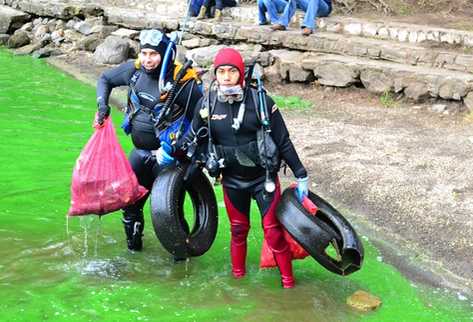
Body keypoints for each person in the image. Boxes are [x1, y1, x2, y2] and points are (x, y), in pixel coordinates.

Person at [179, 48, 310, 288]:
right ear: (215, 75)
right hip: (232, 180)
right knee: (238, 230)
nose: (227, 76)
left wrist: (301, 174)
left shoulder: (260, 102)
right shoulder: (206, 104)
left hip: (264, 179)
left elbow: (283, 141)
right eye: (221, 72)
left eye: (232, 71)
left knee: (273, 232)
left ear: (241, 74)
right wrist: (173, 152)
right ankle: (238, 281)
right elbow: (192, 138)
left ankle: (289, 284)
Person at [95, 29, 203, 252]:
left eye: (153, 54)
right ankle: (134, 251)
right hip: (140, 154)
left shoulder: (182, 81)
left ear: (165, 54)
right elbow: (105, 79)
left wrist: (182, 148)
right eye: (143, 53)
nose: (147, 59)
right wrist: (102, 106)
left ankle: (181, 261)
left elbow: (200, 119)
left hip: (169, 159)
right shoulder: (134, 73)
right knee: (130, 206)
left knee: (171, 212)